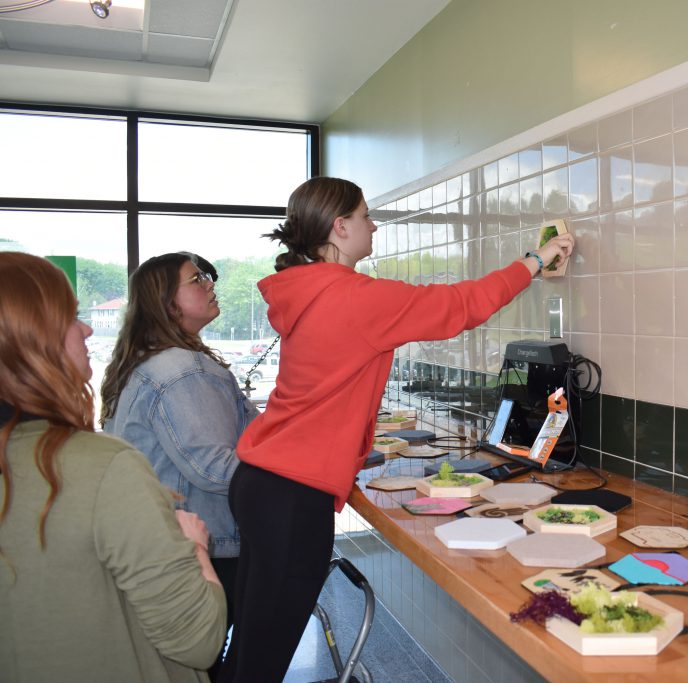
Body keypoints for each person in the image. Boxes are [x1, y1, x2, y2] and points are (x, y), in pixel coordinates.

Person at [220, 177, 574, 682]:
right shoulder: (353, 295)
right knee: (262, 661)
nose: (374, 225)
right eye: (365, 216)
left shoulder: (304, 290)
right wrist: (535, 262)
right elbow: (460, 306)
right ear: (340, 228)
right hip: (293, 497)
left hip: (260, 482)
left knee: (252, 649)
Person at [0, 251, 226, 682]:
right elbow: (199, 639)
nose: (86, 329)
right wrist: (193, 544)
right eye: (69, 317)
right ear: (29, 341)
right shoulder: (103, 467)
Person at [100, 251, 258, 680]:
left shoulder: (150, 361)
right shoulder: (181, 369)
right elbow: (214, 467)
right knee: (199, 661)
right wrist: (287, 481)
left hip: (167, 535)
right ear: (166, 302)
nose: (210, 284)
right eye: (196, 279)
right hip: (204, 542)